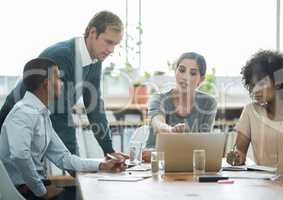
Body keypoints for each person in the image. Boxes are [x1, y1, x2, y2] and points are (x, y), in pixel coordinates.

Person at [0, 11, 127, 160]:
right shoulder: (62, 56)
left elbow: (94, 106)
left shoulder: (95, 61)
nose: (111, 50)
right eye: (108, 42)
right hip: (12, 128)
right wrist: (77, 165)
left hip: (35, 128)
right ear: (93, 32)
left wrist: (109, 150)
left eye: (115, 44)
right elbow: (60, 114)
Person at [0, 58, 125, 200]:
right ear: (47, 84)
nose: (62, 83)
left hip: (35, 185)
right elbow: (20, 155)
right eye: (58, 78)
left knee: (87, 192)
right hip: (22, 189)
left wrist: (103, 165)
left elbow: (64, 158)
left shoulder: (41, 113)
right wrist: (42, 191)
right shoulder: (23, 113)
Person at [226, 50, 283, 182]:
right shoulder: (251, 111)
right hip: (261, 188)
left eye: (261, 83)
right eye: (253, 85)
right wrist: (236, 157)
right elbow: (239, 152)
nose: (255, 90)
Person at [143, 52, 217, 161]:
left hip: (188, 163)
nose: (185, 77)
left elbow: (202, 145)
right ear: (175, 71)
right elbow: (157, 124)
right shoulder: (158, 98)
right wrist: (171, 130)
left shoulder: (208, 103)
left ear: (201, 79)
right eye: (182, 70)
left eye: (192, 73)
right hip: (154, 161)